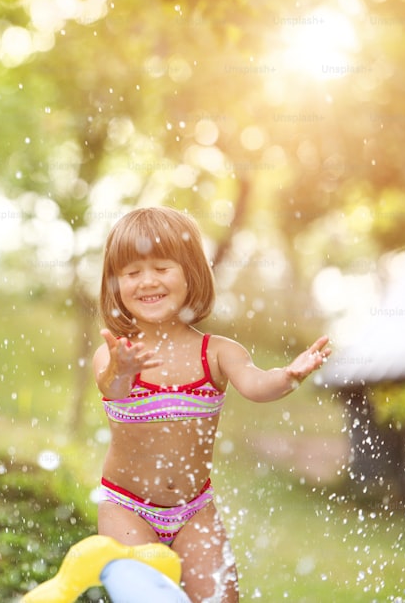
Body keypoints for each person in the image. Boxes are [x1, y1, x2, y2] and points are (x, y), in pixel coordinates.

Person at [92, 206, 331, 603]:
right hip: (126, 508)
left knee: (222, 598)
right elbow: (112, 387)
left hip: (194, 511)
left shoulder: (217, 352)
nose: (147, 281)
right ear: (116, 284)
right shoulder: (116, 355)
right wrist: (123, 370)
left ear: (191, 273)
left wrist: (288, 376)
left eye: (161, 268)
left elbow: (256, 385)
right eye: (132, 273)